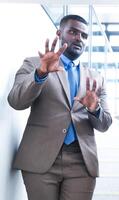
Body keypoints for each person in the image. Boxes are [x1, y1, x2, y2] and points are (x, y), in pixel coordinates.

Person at [7, 14, 112, 200]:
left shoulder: (96, 78)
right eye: (73, 32)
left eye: (84, 35)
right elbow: (16, 101)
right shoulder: (33, 63)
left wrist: (94, 109)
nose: (79, 38)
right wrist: (40, 74)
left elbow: (104, 124)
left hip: (81, 161)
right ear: (59, 33)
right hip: (40, 158)